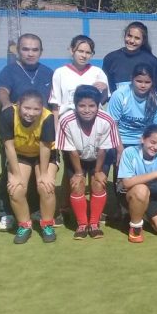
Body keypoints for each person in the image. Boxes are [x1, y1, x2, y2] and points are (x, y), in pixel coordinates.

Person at [0, 33, 54, 231]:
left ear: (41, 52)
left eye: (34, 49)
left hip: (40, 131)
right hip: (15, 131)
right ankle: (7, 212)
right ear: (18, 51)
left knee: (40, 176)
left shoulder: (48, 73)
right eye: (25, 49)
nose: (30, 53)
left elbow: (54, 101)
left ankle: (37, 211)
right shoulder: (9, 71)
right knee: (10, 174)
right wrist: (5, 106)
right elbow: (2, 90)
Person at [58, 85, 119, 239]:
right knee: (77, 185)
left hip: (99, 157)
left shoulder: (107, 120)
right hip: (76, 157)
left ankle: (94, 223)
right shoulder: (66, 120)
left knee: (98, 184)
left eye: (91, 106)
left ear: (98, 105)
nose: (87, 110)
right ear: (75, 105)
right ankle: (82, 224)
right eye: (82, 106)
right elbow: (71, 151)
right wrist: (78, 173)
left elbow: (103, 150)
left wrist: (98, 172)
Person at [0, 90, 58, 244]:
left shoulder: (48, 117)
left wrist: (44, 173)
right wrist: (16, 175)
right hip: (20, 154)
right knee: (16, 188)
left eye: (36, 109)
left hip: (43, 155)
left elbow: (45, 147)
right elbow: (8, 147)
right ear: (18, 105)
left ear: (42, 108)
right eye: (27, 108)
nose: (31, 113)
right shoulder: (8, 115)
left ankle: (47, 224)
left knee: (46, 186)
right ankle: (25, 225)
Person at [106, 63, 157, 152]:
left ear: (152, 82)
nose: (143, 85)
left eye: (147, 82)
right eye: (139, 81)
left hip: (145, 141)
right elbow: (112, 125)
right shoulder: (120, 95)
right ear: (132, 79)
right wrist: (120, 150)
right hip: (121, 139)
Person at [48, 35, 109, 124]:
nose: (84, 55)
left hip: (92, 122)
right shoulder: (60, 72)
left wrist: (105, 89)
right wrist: (56, 129)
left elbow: (103, 101)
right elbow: (56, 105)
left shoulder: (98, 72)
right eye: (80, 51)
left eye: (88, 52)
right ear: (72, 50)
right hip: (67, 122)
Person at [103, 21, 157, 93]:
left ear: (143, 40)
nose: (132, 41)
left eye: (137, 38)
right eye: (129, 36)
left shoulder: (151, 61)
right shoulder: (110, 58)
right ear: (124, 35)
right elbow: (106, 85)